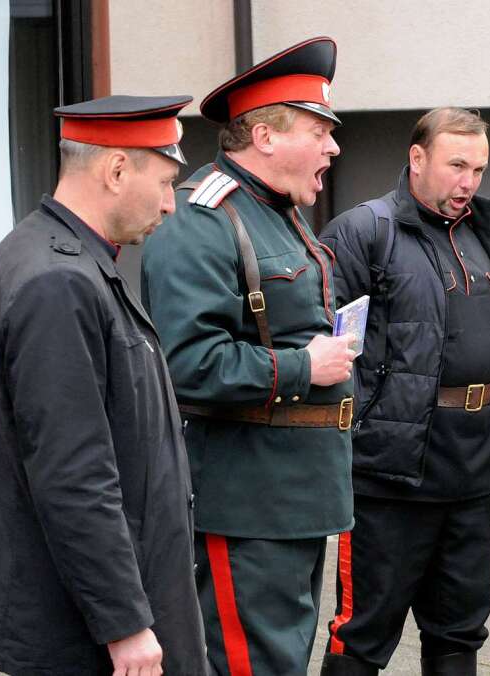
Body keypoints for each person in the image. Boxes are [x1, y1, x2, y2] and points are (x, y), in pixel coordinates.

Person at [0, 95, 208, 675]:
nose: (171, 205)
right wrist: (126, 625)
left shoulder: (57, 257)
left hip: (86, 613)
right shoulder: (59, 282)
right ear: (117, 170)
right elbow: (74, 474)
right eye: (166, 182)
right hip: (82, 633)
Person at [140, 36, 355, 675]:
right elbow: (187, 365)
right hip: (247, 500)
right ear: (264, 136)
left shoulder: (281, 212)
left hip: (296, 494)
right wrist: (302, 368)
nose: (333, 147)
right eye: (319, 131)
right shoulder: (202, 220)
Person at [317, 107, 490, 676]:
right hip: (389, 477)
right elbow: (332, 350)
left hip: (472, 468)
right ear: (417, 159)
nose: (469, 182)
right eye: (456, 165)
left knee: (459, 634)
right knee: (361, 635)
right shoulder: (362, 230)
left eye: (479, 169)